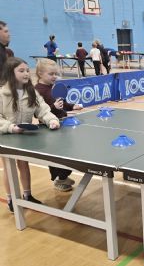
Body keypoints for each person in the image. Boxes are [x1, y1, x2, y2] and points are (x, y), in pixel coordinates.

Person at [0, 57, 60, 212]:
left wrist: (52, 120)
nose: (26, 73)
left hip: (24, 136)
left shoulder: (32, 92)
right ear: (10, 73)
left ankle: (27, 195)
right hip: (6, 136)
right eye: (21, 71)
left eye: (27, 70)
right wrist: (10, 127)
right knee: (9, 167)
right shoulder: (1, 94)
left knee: (24, 164)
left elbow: (43, 110)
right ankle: (11, 199)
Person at [34, 58, 83, 191]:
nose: (54, 76)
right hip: (49, 128)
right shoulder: (37, 91)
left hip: (63, 124)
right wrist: (53, 107)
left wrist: (72, 106)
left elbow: (62, 103)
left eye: (56, 74)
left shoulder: (53, 87)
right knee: (56, 156)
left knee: (67, 152)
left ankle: (63, 177)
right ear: (40, 74)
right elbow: (37, 113)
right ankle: (59, 179)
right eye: (51, 74)